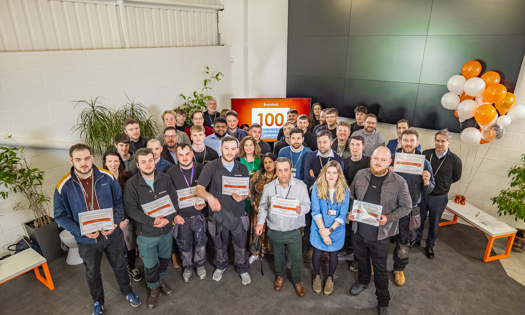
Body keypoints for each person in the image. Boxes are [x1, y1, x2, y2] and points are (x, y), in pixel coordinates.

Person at [54, 144, 141, 315]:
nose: (83, 163)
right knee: (92, 272)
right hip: (87, 239)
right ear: (71, 160)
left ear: (92, 158)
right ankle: (98, 302)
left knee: (120, 265)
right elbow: (60, 215)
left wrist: (115, 223)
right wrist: (80, 231)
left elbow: (118, 202)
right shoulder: (63, 185)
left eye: (86, 158)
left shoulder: (107, 177)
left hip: (112, 234)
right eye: (78, 159)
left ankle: (127, 291)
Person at [348, 146, 411, 315]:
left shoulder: (399, 182)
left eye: (383, 160)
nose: (378, 163)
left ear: (389, 162)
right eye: (376, 159)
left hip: (380, 236)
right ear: (371, 158)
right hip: (359, 231)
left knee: (381, 269)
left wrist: (388, 218)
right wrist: (351, 211)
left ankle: (383, 301)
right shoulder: (361, 174)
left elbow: (407, 206)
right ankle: (362, 282)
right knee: (361, 261)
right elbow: (352, 195)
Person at [123, 148, 179, 310]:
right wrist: (152, 221)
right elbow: (131, 210)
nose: (148, 164)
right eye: (143, 162)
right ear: (138, 165)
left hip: (166, 230)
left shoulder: (166, 179)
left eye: (150, 160)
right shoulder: (131, 184)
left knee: (164, 258)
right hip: (146, 233)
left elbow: (174, 201)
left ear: (155, 160)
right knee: (150, 264)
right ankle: (154, 288)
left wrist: (167, 220)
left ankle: (160, 280)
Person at [196, 136, 252, 285]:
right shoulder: (211, 166)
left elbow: (247, 191)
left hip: (238, 214)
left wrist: (244, 195)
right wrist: (209, 198)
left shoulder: (242, 167)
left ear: (237, 150)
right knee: (219, 244)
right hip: (218, 215)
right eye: (226, 148)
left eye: (233, 148)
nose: (229, 152)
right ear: (220, 149)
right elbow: (199, 189)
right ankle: (221, 266)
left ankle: (242, 268)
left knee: (240, 244)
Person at [256, 157, 311, 297]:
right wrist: (260, 222)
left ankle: (297, 280)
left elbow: (308, 205)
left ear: (290, 170)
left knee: (297, 258)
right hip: (275, 230)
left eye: (286, 170)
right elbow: (263, 207)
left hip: (294, 231)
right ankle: (280, 276)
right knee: (278, 256)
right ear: (276, 171)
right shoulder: (269, 187)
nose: (283, 173)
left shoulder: (301, 186)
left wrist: (301, 209)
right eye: (279, 170)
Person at [389, 129, 434, 286]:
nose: (408, 143)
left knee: (404, 241)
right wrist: (386, 173)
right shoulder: (392, 160)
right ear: (400, 141)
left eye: (411, 140)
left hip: (410, 209)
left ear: (417, 143)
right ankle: (376, 264)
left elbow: (429, 190)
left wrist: (427, 182)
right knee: (380, 238)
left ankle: (399, 269)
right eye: (405, 140)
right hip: (389, 208)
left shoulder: (424, 163)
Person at [412, 129, 462, 259]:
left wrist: (443, 184)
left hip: (439, 196)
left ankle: (430, 245)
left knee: (434, 222)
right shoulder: (426, 154)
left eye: (443, 141)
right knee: (419, 218)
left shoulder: (455, 160)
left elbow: (456, 177)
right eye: (437, 140)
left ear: (449, 142)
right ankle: (417, 239)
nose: (439, 143)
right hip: (423, 193)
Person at [166, 144, 208, 283]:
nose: (184, 158)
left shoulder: (202, 169)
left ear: (191, 154)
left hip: (199, 215)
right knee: (184, 245)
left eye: (187, 154)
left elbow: (210, 190)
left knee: (200, 243)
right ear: (176, 156)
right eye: (180, 155)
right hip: (181, 217)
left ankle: (200, 265)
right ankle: (188, 267)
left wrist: (206, 203)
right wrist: (174, 215)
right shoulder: (170, 173)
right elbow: (167, 197)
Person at [303, 130, 344, 262]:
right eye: (319, 142)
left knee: (330, 221)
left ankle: (326, 249)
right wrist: (323, 183)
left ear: (331, 142)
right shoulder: (310, 156)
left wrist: (317, 179)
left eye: (325, 142)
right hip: (314, 197)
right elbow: (306, 178)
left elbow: (338, 181)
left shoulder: (338, 160)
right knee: (312, 222)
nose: (322, 145)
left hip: (332, 198)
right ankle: (312, 247)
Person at [310, 161, 350, 295]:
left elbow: (343, 214)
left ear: (339, 175)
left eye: (334, 173)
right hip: (318, 228)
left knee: (334, 255)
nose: (331, 175)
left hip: (336, 230)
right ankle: (317, 276)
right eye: (328, 172)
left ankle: (330, 278)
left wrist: (330, 230)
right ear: (324, 173)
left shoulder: (344, 190)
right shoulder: (316, 188)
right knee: (316, 254)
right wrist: (324, 232)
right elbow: (315, 211)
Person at [102, 150, 141, 283]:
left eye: (116, 160)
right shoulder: (100, 180)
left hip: (126, 219)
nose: (113, 164)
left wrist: (127, 219)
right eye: (110, 161)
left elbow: (133, 200)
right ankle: (123, 270)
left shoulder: (127, 177)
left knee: (130, 245)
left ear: (120, 162)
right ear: (105, 163)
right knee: (117, 247)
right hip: (110, 221)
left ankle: (132, 267)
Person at [342, 135, 370, 270]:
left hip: (365, 202)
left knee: (361, 232)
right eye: (352, 144)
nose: (354, 147)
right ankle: (348, 249)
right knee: (349, 228)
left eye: (357, 145)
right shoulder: (344, 163)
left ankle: (358, 259)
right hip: (350, 200)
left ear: (363, 147)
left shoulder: (369, 162)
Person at [248, 153, 277, 264]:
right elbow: (250, 192)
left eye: (270, 162)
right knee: (257, 233)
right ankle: (255, 253)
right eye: (265, 162)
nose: (267, 165)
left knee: (272, 233)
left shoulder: (279, 176)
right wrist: (254, 205)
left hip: (274, 212)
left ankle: (272, 253)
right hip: (257, 210)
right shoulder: (257, 175)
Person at [239, 136, 262, 215]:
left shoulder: (261, 159)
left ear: (255, 146)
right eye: (246, 145)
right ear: (243, 147)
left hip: (257, 193)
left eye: (251, 145)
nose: (248, 147)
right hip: (243, 193)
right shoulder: (238, 160)